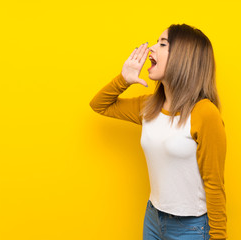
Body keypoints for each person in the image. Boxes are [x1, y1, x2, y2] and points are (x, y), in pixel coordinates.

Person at [89, 23, 227, 240]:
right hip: (153, 218)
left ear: (183, 57)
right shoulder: (149, 107)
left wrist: (219, 237)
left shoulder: (204, 113)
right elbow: (100, 105)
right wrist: (123, 79)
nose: (151, 48)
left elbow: (214, 182)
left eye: (162, 43)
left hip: (190, 228)